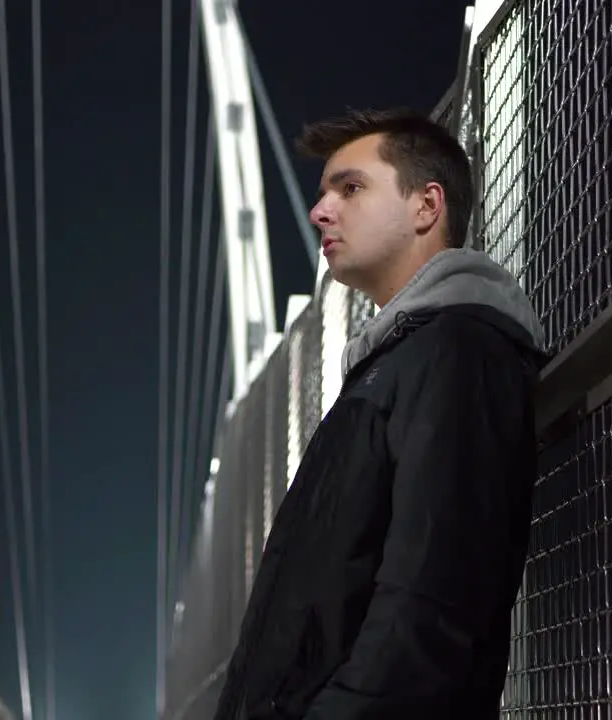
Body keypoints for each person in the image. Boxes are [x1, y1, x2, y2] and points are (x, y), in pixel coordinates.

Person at [213, 108, 546, 719]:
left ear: (426, 206)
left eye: (352, 187)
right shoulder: (395, 360)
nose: (321, 211)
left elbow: (432, 599)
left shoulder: (460, 349)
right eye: (323, 194)